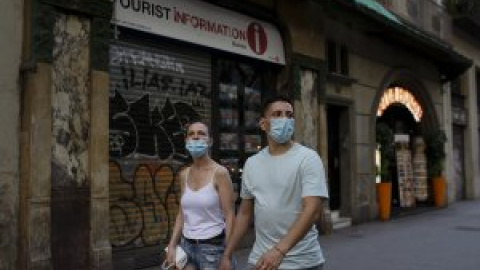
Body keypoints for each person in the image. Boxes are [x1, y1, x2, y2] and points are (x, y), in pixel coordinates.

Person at [219, 96, 329, 270]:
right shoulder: (252, 164)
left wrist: (279, 251)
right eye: (277, 114)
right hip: (261, 260)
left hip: (303, 262)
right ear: (264, 124)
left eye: (289, 115)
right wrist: (227, 254)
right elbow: (245, 214)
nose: (285, 119)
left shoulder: (308, 158)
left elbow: (313, 210)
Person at [165, 121, 235, 269]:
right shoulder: (184, 175)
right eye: (191, 134)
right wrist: (172, 245)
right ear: (186, 141)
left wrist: (227, 255)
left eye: (201, 134)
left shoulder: (220, 173)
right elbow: (181, 214)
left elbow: (230, 215)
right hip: (186, 247)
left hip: (213, 249)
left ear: (209, 141)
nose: (196, 137)